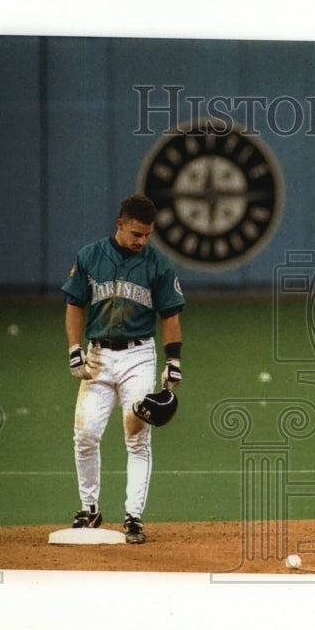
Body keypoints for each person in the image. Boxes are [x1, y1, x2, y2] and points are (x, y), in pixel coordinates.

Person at [61, 193, 185, 544]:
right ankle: (90, 509)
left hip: (139, 356)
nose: (141, 241)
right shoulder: (90, 256)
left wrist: (173, 361)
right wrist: (74, 350)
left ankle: (134, 517)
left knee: (137, 436)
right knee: (85, 434)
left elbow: (170, 316)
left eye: (147, 235)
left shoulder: (158, 265)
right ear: (120, 224)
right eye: (136, 234)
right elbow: (74, 304)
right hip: (98, 355)